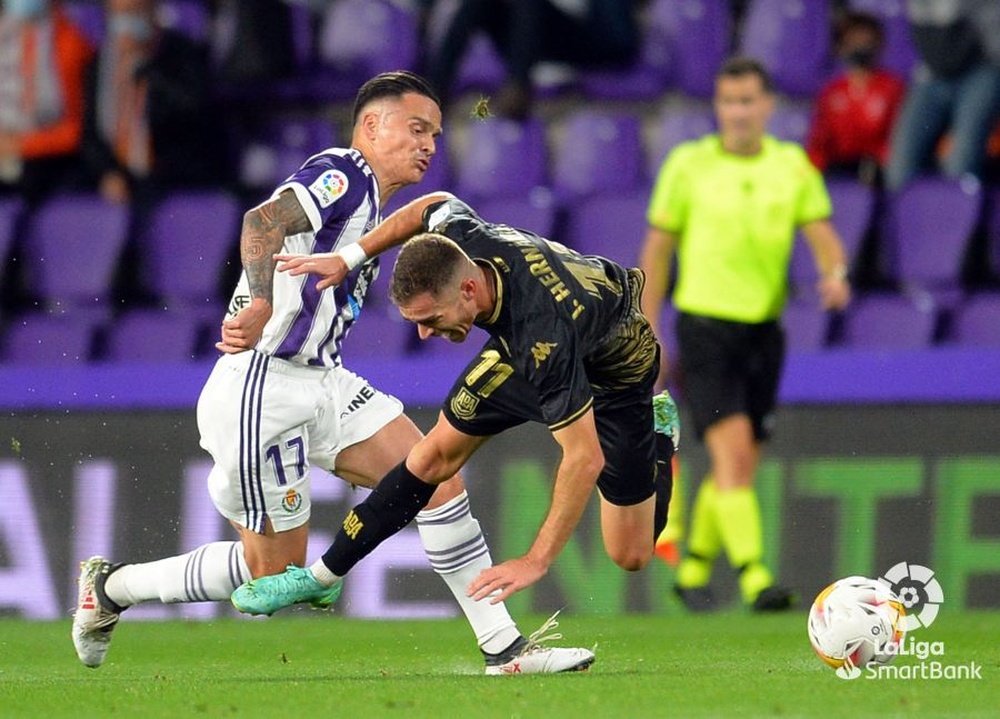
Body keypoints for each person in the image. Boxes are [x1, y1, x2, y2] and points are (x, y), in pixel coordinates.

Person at [71, 71, 592, 676]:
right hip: (263, 386)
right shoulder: (341, 174)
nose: (429, 144)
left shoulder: (375, 201)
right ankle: (112, 589)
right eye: (415, 128)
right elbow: (261, 223)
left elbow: (433, 211)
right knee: (274, 573)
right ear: (371, 126)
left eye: (436, 134)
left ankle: (504, 649)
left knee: (437, 479)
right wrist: (262, 299)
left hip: (324, 380)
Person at [228, 191, 680, 616]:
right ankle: (322, 576)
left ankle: (658, 433)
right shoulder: (460, 236)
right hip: (527, 346)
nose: (424, 334)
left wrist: (535, 560)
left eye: (431, 319)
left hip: (616, 368)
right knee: (433, 455)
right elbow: (433, 203)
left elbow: (583, 458)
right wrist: (350, 257)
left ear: (467, 291)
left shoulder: (543, 331)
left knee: (630, 553)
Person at [639, 57, 851, 612]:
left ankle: (692, 569)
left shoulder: (791, 165)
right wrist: (649, 329)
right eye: (728, 101)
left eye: (747, 101)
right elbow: (656, 254)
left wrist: (834, 275)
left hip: (764, 332)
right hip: (705, 329)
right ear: (718, 107)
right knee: (733, 456)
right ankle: (756, 576)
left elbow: (822, 234)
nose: (737, 112)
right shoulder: (689, 165)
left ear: (767, 106)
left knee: (741, 464)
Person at [81, 0, 222, 204]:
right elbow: (91, 133)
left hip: (176, 178)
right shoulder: (99, 65)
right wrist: (108, 172)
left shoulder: (183, 54)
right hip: (122, 178)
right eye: (118, 15)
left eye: (132, 13)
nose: (124, 23)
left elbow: (193, 112)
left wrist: (149, 72)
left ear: (152, 11)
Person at [427, 0, 640, 118]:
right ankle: (436, 90)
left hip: (599, 41)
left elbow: (620, 36)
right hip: (543, 37)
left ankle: (518, 86)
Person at [885, 0, 1000, 190]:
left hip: (983, 68)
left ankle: (960, 217)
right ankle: (910, 218)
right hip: (933, 72)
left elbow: (961, 23)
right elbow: (928, 32)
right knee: (900, 167)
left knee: (961, 161)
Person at [0, 0, 93, 201]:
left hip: (48, 161)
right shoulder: (4, 38)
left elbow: (79, 130)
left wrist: (24, 144)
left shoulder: (71, 45)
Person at [805, 11, 905, 184]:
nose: (860, 46)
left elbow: (898, 140)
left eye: (866, 41)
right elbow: (819, 141)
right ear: (841, 45)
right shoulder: (832, 91)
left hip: (877, 171)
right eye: (853, 41)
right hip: (839, 169)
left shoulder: (893, 88)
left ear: (878, 44)